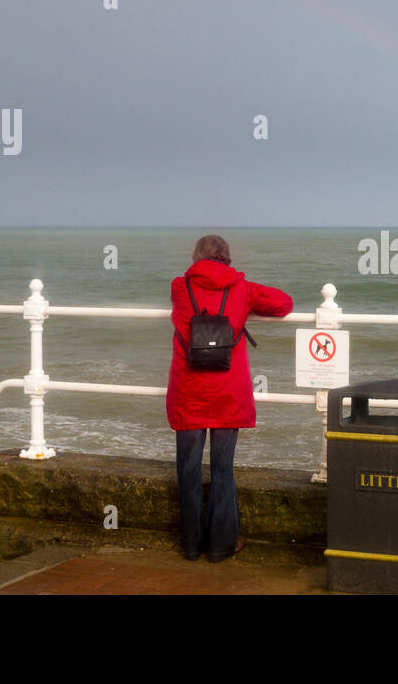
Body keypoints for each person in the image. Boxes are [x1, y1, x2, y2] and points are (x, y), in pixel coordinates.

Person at [166, 235, 293, 562]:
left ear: (195, 257)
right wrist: (242, 292)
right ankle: (222, 545)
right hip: (227, 393)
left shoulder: (180, 288)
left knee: (188, 470)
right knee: (223, 470)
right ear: (227, 257)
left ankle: (191, 545)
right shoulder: (243, 289)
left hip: (189, 393)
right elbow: (284, 304)